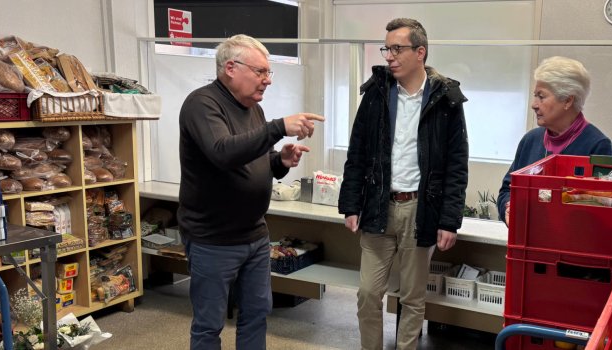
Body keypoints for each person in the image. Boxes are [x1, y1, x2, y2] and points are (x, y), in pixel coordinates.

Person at [178, 34, 324, 349]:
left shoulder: (251, 108)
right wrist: (278, 127)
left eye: (268, 73)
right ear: (231, 67)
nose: (267, 80)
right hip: (213, 238)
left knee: (256, 315)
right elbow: (222, 152)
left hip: (255, 236)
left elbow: (250, 159)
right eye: (260, 72)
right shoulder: (202, 104)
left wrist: (279, 161)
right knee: (209, 325)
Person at [337, 18, 469, 350]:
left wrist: (450, 219)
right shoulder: (376, 94)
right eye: (387, 49)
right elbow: (357, 153)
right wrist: (350, 204)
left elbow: (456, 165)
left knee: (412, 298)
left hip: (420, 209)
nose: (389, 56)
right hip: (379, 205)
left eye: (397, 48)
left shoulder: (446, 100)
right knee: (368, 293)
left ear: (420, 52)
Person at [498, 56, 612, 225]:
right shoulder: (530, 140)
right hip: (528, 243)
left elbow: (604, 205)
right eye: (534, 95)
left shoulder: (597, 145)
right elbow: (507, 190)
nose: (534, 104)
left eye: (541, 96)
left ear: (568, 100)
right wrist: (509, 208)